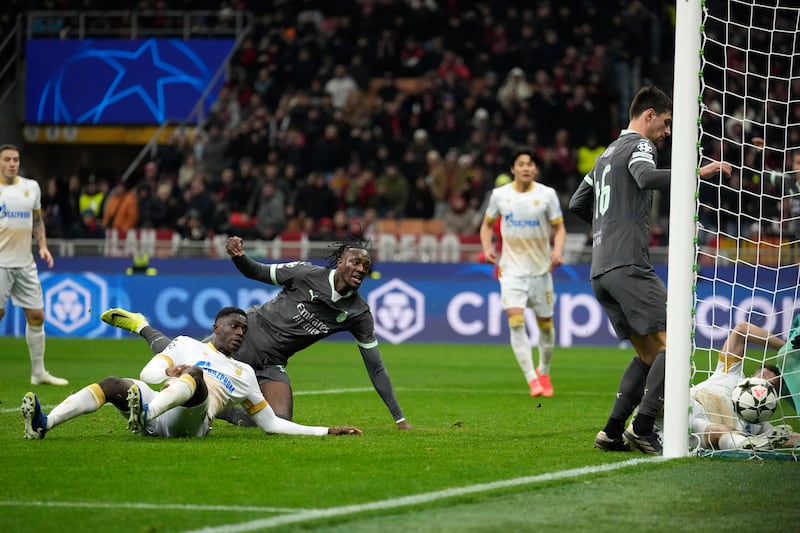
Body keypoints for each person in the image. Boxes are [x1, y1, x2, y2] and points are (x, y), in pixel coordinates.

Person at [568, 86, 732, 454]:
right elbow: (644, 177)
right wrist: (697, 172)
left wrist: (608, 225)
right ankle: (642, 427)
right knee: (675, 344)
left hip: (601, 269)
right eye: (667, 121)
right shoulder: (640, 146)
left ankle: (611, 432)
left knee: (648, 355)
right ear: (649, 115)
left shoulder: (605, 154)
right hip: (628, 263)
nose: (668, 131)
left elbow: (578, 201)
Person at [104, 235, 412, 430]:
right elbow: (258, 271)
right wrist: (239, 256)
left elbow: (376, 367)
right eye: (356, 262)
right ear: (341, 261)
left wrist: (399, 419)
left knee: (280, 421)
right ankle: (142, 326)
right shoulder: (306, 273)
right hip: (243, 340)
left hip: (272, 363)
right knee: (178, 358)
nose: (361, 269)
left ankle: (222, 412)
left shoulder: (358, 312)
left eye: (366, 266)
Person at [21, 306, 363, 440]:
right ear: (216, 327)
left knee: (196, 378)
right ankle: (43, 424)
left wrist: (326, 430)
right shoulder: (185, 344)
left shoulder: (243, 372)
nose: (241, 332)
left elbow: (271, 423)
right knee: (113, 384)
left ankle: (144, 414)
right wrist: (168, 367)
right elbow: (152, 372)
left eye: (244, 329)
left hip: (193, 423)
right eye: (234, 326)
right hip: (159, 406)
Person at [479, 149, 566, 397]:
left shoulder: (547, 195)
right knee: (516, 323)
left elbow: (559, 228)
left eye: (530, 164)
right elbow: (485, 226)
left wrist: (557, 251)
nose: (526, 168)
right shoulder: (500, 196)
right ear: (513, 169)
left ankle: (544, 371)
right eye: (521, 164)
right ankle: (532, 380)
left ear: (535, 169)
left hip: (540, 271)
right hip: (511, 270)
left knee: (546, 327)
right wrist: (487, 248)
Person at [0, 144, 67, 386]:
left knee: (37, 315)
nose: (12, 163)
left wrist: (43, 246)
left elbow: (37, 221)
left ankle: (38, 373)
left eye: (15, 159)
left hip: (25, 263)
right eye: (7, 159)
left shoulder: (31, 187)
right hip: (0, 264)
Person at [686, 321, 798, 451]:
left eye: (770, 385)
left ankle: (746, 443)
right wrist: (787, 350)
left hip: (699, 430)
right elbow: (742, 329)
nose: (762, 384)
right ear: (752, 375)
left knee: (720, 431)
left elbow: (785, 437)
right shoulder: (730, 372)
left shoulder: (758, 420)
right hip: (688, 405)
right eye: (762, 376)